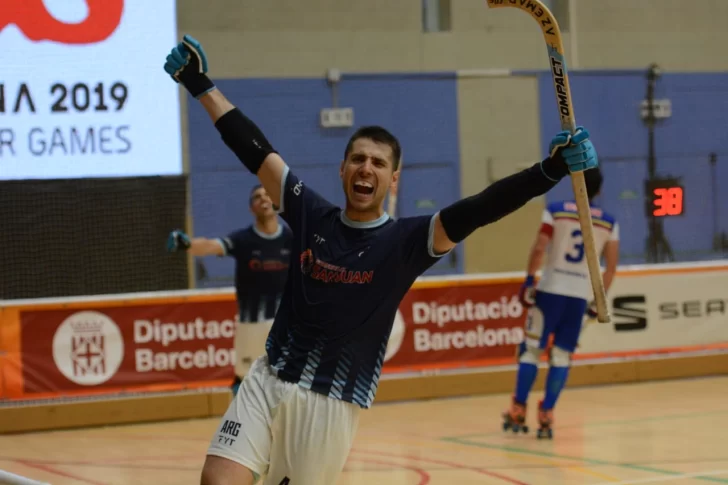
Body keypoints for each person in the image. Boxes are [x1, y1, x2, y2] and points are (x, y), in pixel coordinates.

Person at [163, 34, 600, 485]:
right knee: (217, 480)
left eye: (377, 162)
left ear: (393, 179)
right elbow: (255, 150)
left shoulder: (406, 241)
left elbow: (482, 207)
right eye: (357, 159)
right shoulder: (309, 211)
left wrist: (548, 171)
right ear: (342, 169)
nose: (365, 168)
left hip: (329, 404)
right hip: (267, 378)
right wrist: (199, 84)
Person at [503, 167, 619, 440]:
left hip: (550, 290)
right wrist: (598, 301)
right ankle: (547, 413)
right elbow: (611, 268)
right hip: (578, 297)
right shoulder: (609, 222)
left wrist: (529, 281)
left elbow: (539, 247)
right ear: (599, 190)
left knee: (531, 352)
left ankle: (518, 409)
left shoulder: (555, 210)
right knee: (562, 356)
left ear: (575, 184)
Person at [166, 184, 293, 395]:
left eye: (267, 195)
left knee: (289, 383)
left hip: (286, 326)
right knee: (244, 383)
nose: (263, 199)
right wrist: (187, 245)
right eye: (257, 197)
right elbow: (210, 246)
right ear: (251, 208)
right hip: (250, 326)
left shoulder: (293, 239)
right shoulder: (242, 240)